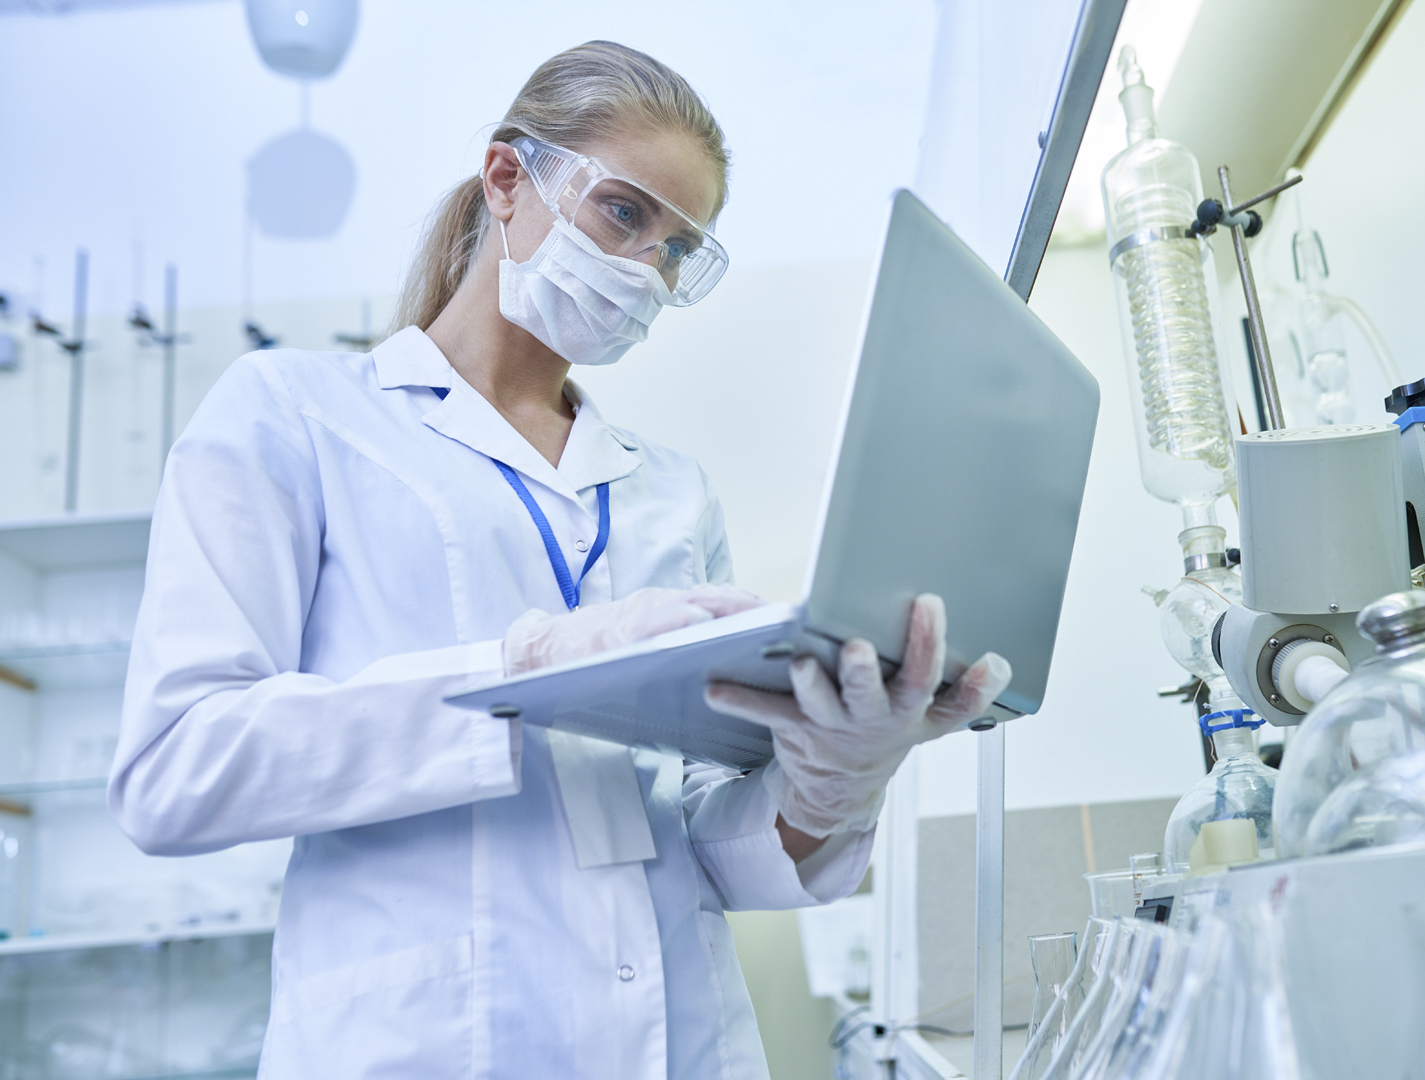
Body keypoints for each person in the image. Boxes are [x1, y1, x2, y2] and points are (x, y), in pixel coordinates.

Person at [111, 40, 1010, 1080]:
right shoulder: (297, 416)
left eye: (677, 249)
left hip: (682, 1045)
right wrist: (523, 668)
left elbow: (704, 851)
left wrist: (831, 783)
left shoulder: (670, 489)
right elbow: (175, 771)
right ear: (508, 179)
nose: (644, 267)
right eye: (625, 213)